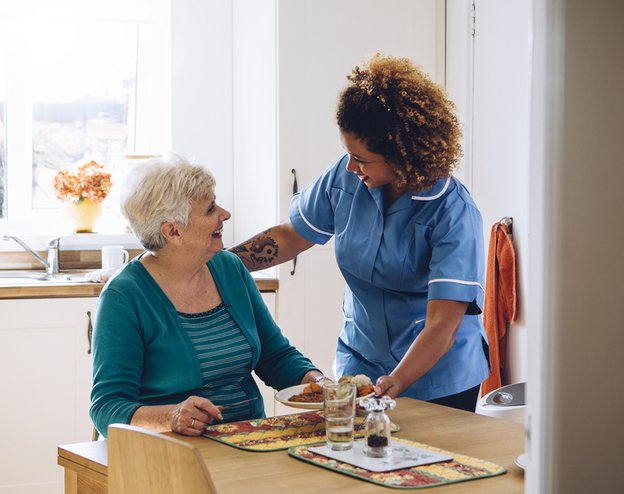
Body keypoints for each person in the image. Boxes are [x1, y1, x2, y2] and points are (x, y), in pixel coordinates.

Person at [230, 54, 489, 412]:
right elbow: (291, 236)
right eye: (347, 153)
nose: (351, 166)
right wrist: (220, 264)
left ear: (402, 154)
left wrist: (397, 381)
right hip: (361, 364)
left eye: (362, 159)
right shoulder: (347, 175)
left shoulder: (453, 211)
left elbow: (443, 324)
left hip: (437, 378)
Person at [90, 154, 326, 438]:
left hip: (247, 440)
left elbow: (275, 357)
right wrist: (172, 416)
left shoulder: (229, 268)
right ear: (173, 231)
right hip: (170, 453)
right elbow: (107, 407)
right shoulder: (124, 296)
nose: (224, 214)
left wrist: (320, 384)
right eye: (210, 209)